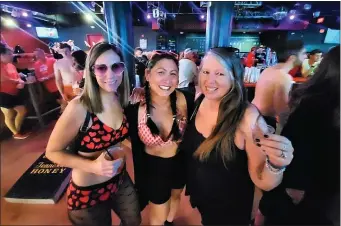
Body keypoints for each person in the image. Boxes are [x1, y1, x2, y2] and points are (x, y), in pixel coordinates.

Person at [178, 47, 294, 225]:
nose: (210, 80)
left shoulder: (247, 118)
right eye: (206, 71)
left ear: (234, 77)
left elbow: (263, 181)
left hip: (229, 210)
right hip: (202, 199)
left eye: (220, 74)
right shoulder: (200, 100)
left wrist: (277, 164)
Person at [46, 42, 141, 226]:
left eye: (116, 66)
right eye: (101, 68)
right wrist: (93, 167)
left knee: (133, 221)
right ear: (91, 71)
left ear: (123, 68)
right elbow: (52, 152)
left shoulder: (120, 98)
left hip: (120, 180)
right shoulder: (80, 107)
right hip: (88, 192)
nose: (110, 75)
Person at [259, 45, 340, 226]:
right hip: (270, 128)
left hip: (264, 124)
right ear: (294, 57)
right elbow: (282, 112)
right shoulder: (285, 78)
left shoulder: (269, 71)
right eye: (304, 54)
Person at [125, 52, 195, 225]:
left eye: (173, 73)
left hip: (180, 161)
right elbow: (120, 136)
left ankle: (170, 222)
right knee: (158, 211)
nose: (168, 79)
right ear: (148, 75)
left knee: (176, 195)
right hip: (153, 168)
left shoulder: (186, 99)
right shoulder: (136, 106)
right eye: (161, 72)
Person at [252, 40, 306, 130]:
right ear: (292, 58)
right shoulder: (283, 77)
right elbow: (281, 109)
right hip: (264, 120)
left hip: (254, 114)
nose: (305, 56)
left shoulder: (269, 69)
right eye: (303, 53)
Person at [0, 42, 29, 139]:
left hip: (14, 92)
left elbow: (17, 76)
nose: (12, 55)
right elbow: (3, 78)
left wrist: (21, 82)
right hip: (3, 93)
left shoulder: (10, 65)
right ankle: (16, 133)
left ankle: (17, 132)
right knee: (9, 114)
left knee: (22, 111)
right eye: (9, 54)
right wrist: (18, 81)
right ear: (2, 55)